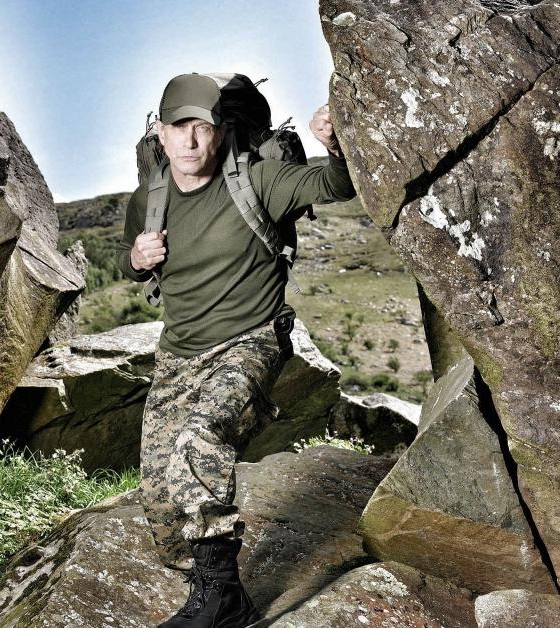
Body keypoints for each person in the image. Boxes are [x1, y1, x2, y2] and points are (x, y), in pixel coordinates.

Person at [116, 72, 356, 628]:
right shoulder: (147, 200)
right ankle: (222, 597)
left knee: (200, 439)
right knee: (159, 491)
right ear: (160, 131)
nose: (191, 141)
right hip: (178, 352)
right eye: (180, 127)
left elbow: (335, 186)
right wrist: (136, 260)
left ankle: (218, 601)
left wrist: (335, 142)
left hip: (248, 340)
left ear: (222, 131)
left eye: (204, 127)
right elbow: (127, 270)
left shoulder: (260, 181)